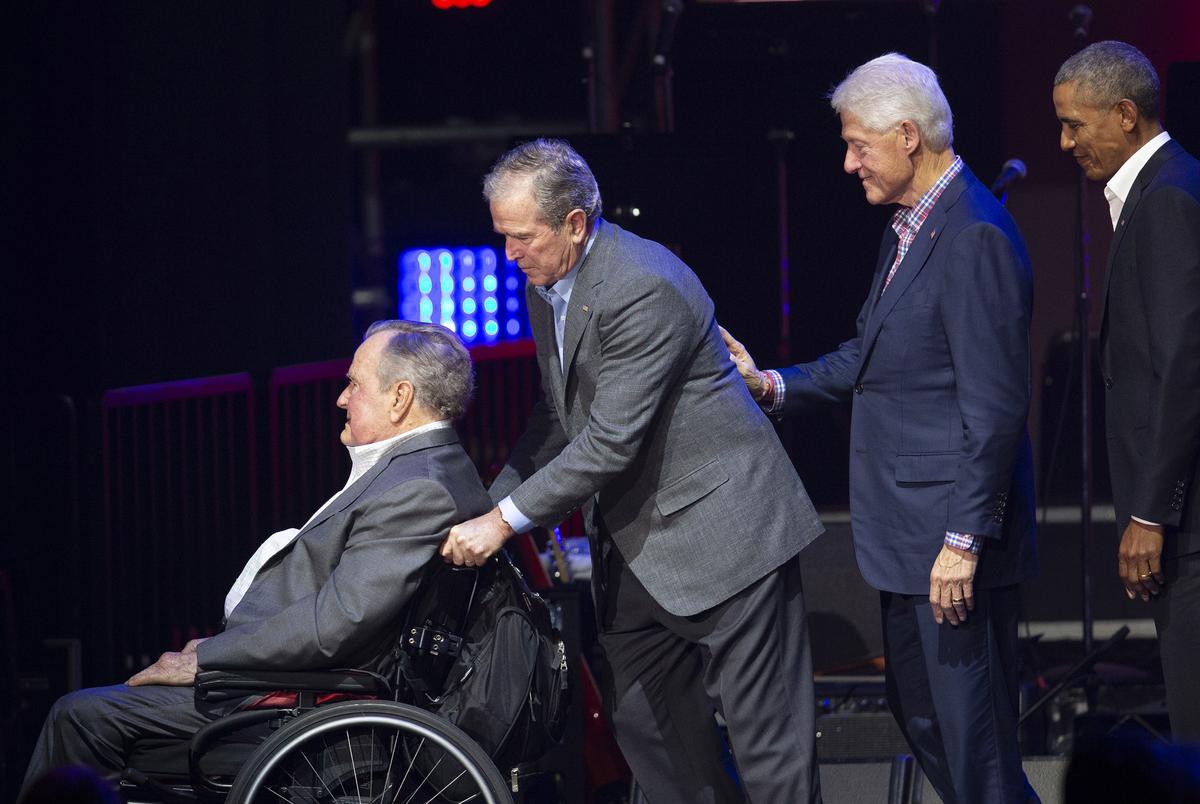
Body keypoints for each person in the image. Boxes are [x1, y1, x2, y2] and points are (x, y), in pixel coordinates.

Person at [440, 138, 825, 803]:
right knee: (648, 728)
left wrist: (504, 524)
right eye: (502, 236)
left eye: (521, 237)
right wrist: (489, 505)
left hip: (728, 535)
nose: (509, 254)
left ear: (575, 223)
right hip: (640, 545)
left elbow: (609, 442)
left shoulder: (642, 284)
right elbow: (559, 417)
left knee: (771, 754)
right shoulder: (548, 284)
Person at [723, 54, 1039, 803]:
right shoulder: (910, 228)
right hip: (907, 538)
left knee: (976, 745)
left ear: (907, 135)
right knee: (923, 715)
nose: (847, 163)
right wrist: (772, 384)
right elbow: (871, 356)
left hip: (950, 545)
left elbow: (995, 410)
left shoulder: (974, 236)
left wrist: (964, 540)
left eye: (858, 145)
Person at [20, 320, 492, 793]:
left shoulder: (417, 488)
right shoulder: (422, 469)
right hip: (287, 680)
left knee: (79, 716)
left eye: (353, 383)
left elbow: (337, 624)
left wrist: (206, 658)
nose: (341, 399)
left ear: (400, 397)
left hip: (300, 702)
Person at [1053, 40, 1200, 741]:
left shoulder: (1168, 197)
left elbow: (1184, 364)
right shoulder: (1163, 187)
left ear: (1124, 115)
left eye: (1075, 125)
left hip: (1190, 524)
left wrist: (1150, 512)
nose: (1064, 142)